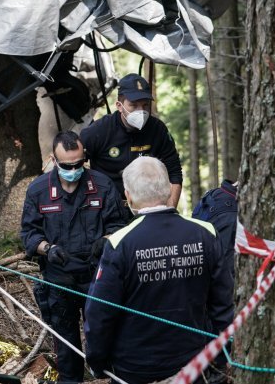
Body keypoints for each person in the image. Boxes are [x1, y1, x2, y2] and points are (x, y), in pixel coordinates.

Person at [84, 157, 233, 383]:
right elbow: (223, 302)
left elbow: (99, 314)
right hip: (192, 363)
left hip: (136, 368)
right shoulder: (205, 233)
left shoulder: (119, 243)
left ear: (128, 195)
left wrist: (96, 361)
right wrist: (222, 355)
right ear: (167, 189)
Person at [21, 131, 126, 383]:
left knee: (104, 337)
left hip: (97, 277)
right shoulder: (38, 190)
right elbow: (29, 233)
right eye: (67, 165)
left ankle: (106, 377)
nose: (74, 169)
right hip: (59, 278)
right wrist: (47, 249)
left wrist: (106, 241)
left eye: (79, 163)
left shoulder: (102, 185)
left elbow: (120, 225)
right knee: (66, 345)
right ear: (53, 160)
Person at [80, 73, 183, 217]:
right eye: (133, 105)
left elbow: (175, 172)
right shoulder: (98, 131)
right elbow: (73, 166)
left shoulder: (157, 129)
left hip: (149, 211)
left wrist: (170, 211)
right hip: (106, 210)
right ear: (119, 106)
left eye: (145, 104)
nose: (141, 111)